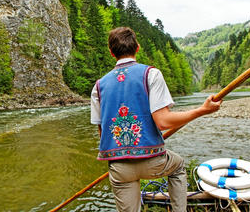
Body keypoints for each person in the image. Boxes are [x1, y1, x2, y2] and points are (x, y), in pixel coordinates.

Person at [90, 27, 222, 212]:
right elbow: (163, 121)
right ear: (137, 48)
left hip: (119, 166)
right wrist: (201, 110)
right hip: (153, 161)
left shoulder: (98, 87)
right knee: (178, 167)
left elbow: (102, 131)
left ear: (112, 53)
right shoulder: (151, 74)